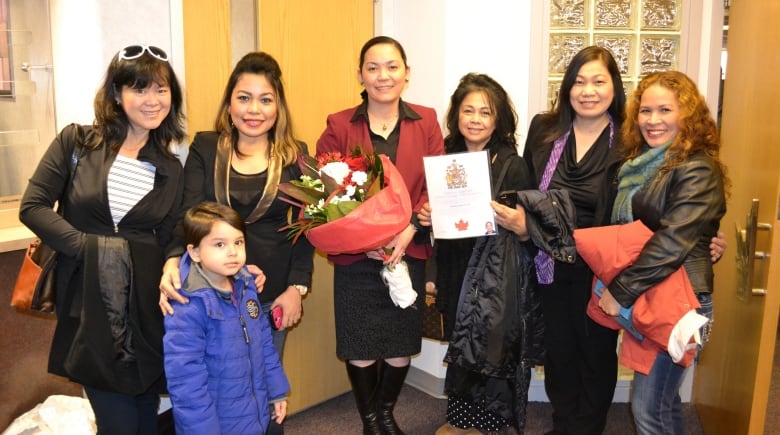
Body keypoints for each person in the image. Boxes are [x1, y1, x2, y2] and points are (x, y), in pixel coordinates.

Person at [523, 46, 727, 435]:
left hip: (611, 270)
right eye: (580, 81)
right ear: (567, 87)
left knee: (602, 362)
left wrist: (704, 239)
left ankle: (587, 428)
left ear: (614, 88)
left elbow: (670, 221)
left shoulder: (630, 141)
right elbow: (527, 189)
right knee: (559, 355)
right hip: (552, 263)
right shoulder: (551, 131)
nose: (588, 90)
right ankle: (564, 425)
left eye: (599, 81)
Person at [19, 44, 186, 434]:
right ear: (116, 93)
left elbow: (172, 233)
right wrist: (89, 248)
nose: (152, 100)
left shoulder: (170, 166)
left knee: (145, 414)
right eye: (139, 89)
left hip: (145, 307)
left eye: (162, 90)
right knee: (118, 423)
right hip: (87, 301)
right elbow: (34, 205)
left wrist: (173, 260)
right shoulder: (76, 142)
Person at [159, 51, 312, 434]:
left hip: (268, 292)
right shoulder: (207, 147)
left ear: (278, 106)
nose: (254, 109)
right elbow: (187, 214)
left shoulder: (296, 156)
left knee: (262, 387)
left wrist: (297, 286)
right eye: (244, 97)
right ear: (229, 103)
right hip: (212, 294)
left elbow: (308, 228)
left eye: (265, 99)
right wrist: (171, 261)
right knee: (212, 393)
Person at [315, 35, 444, 435]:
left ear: (407, 73)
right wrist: (364, 237)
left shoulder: (426, 120)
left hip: (410, 249)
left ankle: (386, 415)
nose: (383, 75)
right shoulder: (339, 124)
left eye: (392, 67)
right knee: (360, 342)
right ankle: (372, 422)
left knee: (400, 341)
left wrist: (407, 231)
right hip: (357, 257)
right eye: (373, 67)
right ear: (360, 74)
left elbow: (435, 187)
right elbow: (326, 190)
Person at [598, 71, 728, 435]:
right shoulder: (642, 166)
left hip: (681, 301)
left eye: (664, 110)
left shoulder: (697, 168)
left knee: (648, 409)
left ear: (687, 115)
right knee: (664, 402)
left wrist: (619, 291)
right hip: (655, 294)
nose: (652, 120)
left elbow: (671, 241)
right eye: (645, 110)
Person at [418, 73, 540, 435]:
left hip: (495, 274)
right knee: (460, 338)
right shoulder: (445, 159)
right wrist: (428, 217)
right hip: (456, 265)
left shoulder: (512, 163)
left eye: (484, 112)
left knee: (491, 345)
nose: (475, 119)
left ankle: (489, 424)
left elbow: (527, 226)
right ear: (456, 115)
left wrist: (511, 219)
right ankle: (461, 420)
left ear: (497, 119)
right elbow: (438, 221)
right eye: (467, 110)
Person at [163, 201, 290, 434]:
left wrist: (276, 391)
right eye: (219, 244)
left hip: (253, 414)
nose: (232, 252)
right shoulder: (188, 306)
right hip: (216, 423)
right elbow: (186, 382)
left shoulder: (246, 288)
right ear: (195, 252)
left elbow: (265, 346)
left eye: (238, 242)